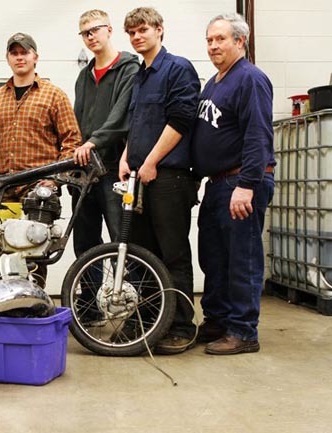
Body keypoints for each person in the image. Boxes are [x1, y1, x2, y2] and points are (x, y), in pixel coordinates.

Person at [119, 7, 201, 354]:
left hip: (168, 177)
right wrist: (126, 157)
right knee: (144, 254)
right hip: (140, 177)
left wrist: (151, 161)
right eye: (132, 32)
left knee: (173, 254)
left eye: (143, 30)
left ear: (159, 30)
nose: (137, 37)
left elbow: (181, 120)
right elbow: (137, 124)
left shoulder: (178, 68)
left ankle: (181, 326)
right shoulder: (140, 75)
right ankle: (151, 322)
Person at [192, 13, 274, 355]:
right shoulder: (214, 83)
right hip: (217, 184)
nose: (213, 46)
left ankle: (243, 331)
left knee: (243, 259)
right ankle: (218, 321)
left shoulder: (250, 78)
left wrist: (247, 184)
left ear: (240, 41)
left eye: (220, 39)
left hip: (241, 181)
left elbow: (258, 134)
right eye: (209, 40)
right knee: (214, 258)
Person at [0, 32, 82, 286]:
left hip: (38, 189)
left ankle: (33, 301)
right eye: (14, 53)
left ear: (35, 57)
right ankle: (8, 303)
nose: (19, 57)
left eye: (24, 52)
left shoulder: (54, 95)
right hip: (4, 188)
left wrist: (55, 180)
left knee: (34, 252)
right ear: (8, 58)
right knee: (3, 252)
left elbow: (71, 140)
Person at [72, 10, 139, 324]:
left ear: (109, 30)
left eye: (95, 30)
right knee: (85, 243)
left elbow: (121, 116)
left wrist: (93, 142)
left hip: (113, 167)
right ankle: (90, 308)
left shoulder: (129, 69)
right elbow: (77, 119)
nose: (90, 36)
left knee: (122, 241)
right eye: (84, 32)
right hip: (85, 171)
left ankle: (137, 313)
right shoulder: (84, 76)